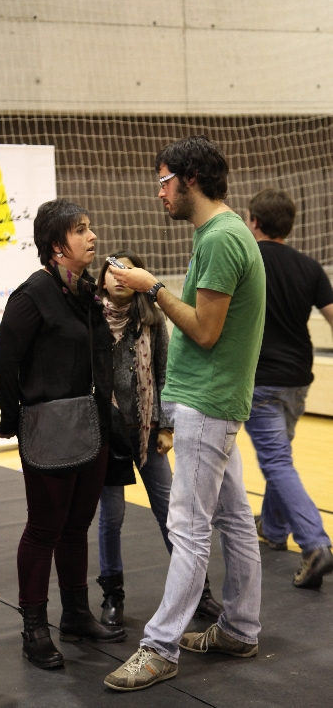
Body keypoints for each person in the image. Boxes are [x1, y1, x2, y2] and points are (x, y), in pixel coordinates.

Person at [104, 135, 266, 692]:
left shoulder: (220, 238)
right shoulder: (220, 233)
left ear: (190, 179)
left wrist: (151, 287)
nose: (159, 193)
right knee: (234, 519)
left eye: (164, 181)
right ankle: (240, 628)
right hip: (213, 400)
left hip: (207, 403)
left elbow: (204, 330)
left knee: (188, 529)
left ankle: (159, 647)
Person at [0, 198, 126, 671]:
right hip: (49, 430)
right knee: (44, 528)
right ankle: (34, 629)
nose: (92, 237)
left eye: (90, 227)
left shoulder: (86, 290)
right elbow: (4, 360)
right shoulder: (32, 295)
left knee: (76, 526)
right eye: (81, 230)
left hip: (93, 427)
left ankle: (76, 615)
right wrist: (15, 418)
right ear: (55, 246)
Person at [96, 250, 222, 626]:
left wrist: (166, 426)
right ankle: (112, 596)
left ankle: (199, 593)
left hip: (148, 433)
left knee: (171, 514)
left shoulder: (151, 319)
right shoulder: (90, 319)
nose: (120, 277)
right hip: (109, 435)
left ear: (139, 279)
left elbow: (165, 373)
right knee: (111, 517)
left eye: (128, 271)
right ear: (101, 279)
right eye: (113, 271)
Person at [245, 188, 333, 587]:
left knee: (277, 461)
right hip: (298, 379)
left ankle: (314, 545)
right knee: (280, 456)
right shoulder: (309, 266)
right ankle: (274, 527)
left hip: (262, 379)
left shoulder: (248, 260)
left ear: (254, 222)